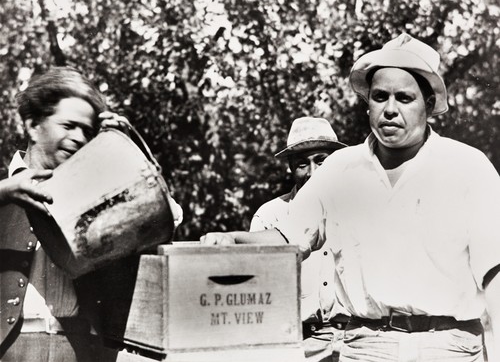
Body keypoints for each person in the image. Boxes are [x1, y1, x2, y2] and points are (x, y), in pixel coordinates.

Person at [201, 33, 500, 361]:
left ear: (428, 105)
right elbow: (287, 239)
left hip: (448, 346)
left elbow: (495, 273)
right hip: (364, 347)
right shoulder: (338, 169)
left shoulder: (468, 167)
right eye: (380, 97)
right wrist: (231, 240)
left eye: (404, 98)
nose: (389, 110)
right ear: (367, 103)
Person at [0, 67, 181, 361]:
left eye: (87, 131)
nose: (79, 138)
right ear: (33, 125)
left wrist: (129, 155)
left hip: (81, 350)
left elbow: (169, 216)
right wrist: (5, 192)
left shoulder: (95, 193)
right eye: (68, 125)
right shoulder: (3, 188)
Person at [250, 116, 349, 362]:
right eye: (302, 164)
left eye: (321, 161)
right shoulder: (270, 215)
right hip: (298, 346)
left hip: (354, 343)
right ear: (290, 168)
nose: (312, 173)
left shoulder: (358, 208)